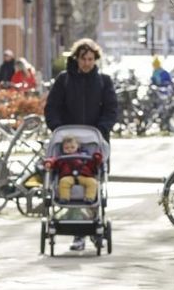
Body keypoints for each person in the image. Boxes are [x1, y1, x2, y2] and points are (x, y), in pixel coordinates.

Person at [45, 39, 119, 249]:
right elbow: (52, 106)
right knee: (69, 183)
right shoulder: (64, 81)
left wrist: (102, 130)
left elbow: (111, 109)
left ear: (95, 60)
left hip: (94, 142)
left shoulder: (104, 81)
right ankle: (78, 232)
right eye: (83, 59)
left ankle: (93, 224)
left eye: (90, 59)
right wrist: (58, 128)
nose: (87, 63)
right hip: (69, 142)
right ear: (76, 58)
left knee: (93, 182)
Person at [52, 134, 102, 202]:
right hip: (68, 176)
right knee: (63, 182)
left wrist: (96, 158)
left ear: (77, 147)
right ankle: (64, 198)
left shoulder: (84, 155)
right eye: (66, 148)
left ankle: (89, 198)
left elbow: (92, 166)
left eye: (72, 147)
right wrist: (50, 163)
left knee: (92, 182)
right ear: (62, 149)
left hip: (84, 176)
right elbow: (55, 164)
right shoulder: (61, 158)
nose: (70, 149)